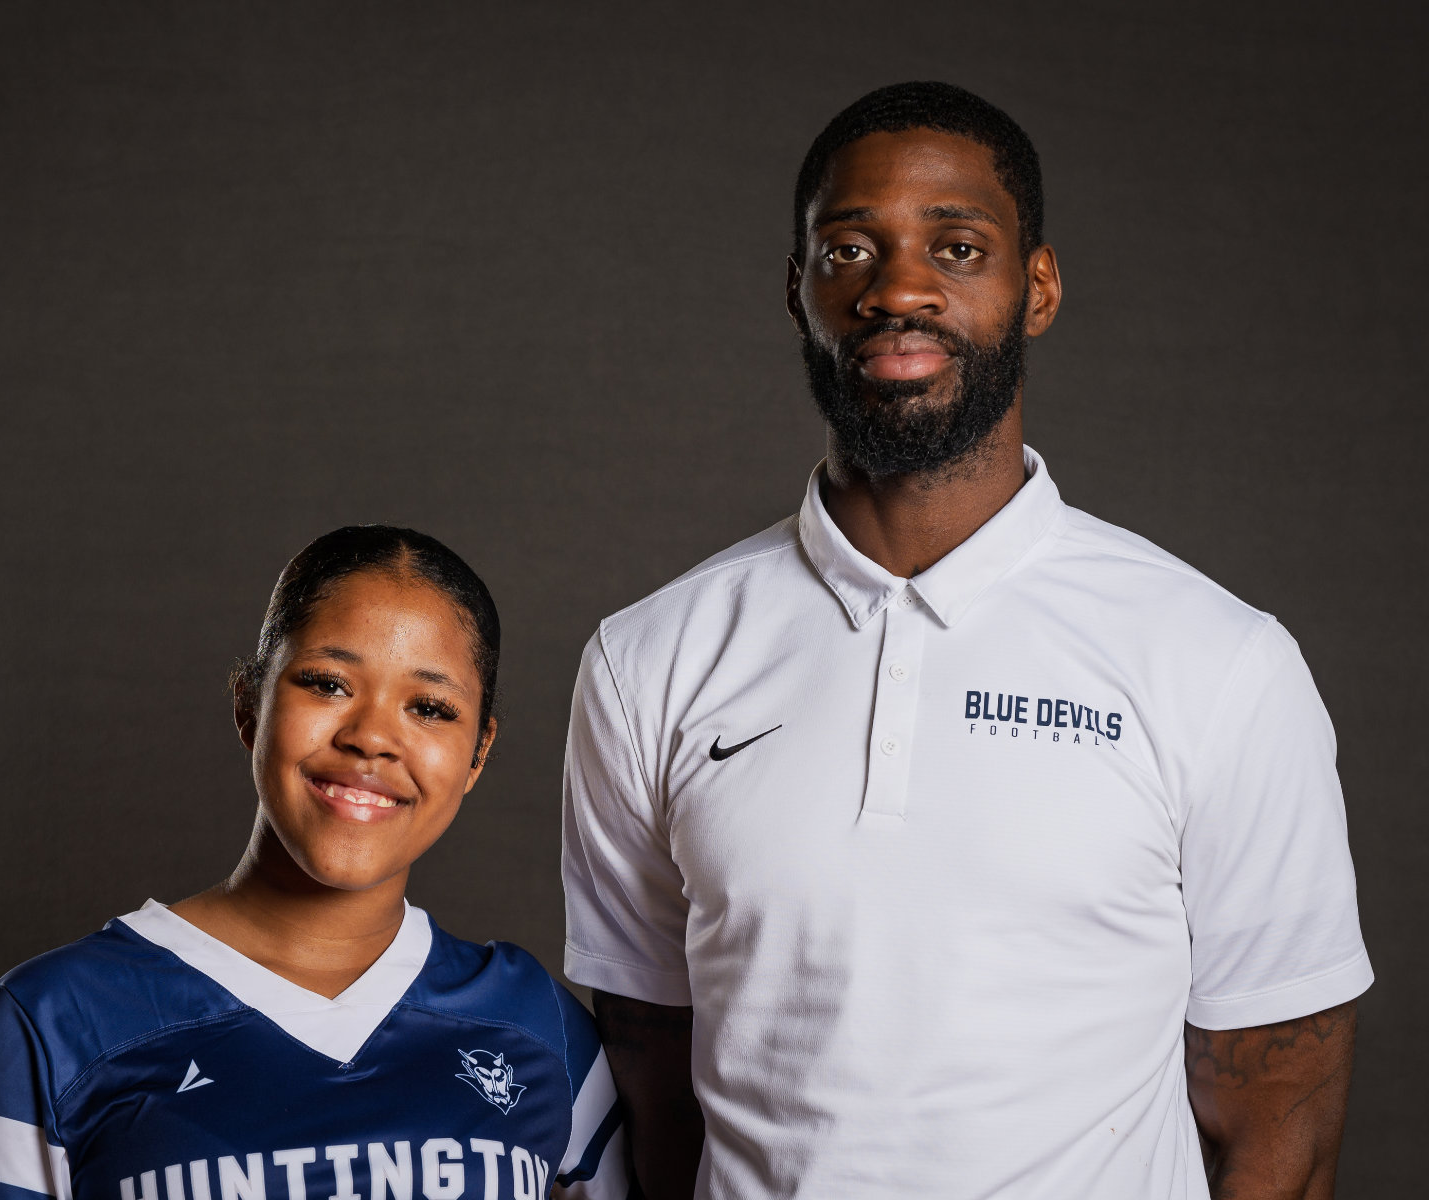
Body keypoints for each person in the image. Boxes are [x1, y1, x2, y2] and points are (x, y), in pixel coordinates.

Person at [561, 82, 1370, 1199]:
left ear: (1037, 288)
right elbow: (652, 1105)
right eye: (849, 250)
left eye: (957, 248)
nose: (898, 289)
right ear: (798, 292)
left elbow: (1285, 1130)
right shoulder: (647, 660)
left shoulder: (1219, 661)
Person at [0, 526, 629, 1200]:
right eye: (328, 683)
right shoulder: (51, 1021)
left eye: (431, 708)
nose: (372, 737)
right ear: (248, 703)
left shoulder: (537, 1027)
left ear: (478, 753)